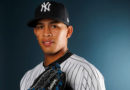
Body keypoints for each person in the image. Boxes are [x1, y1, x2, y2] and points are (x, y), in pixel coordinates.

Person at [20, 1, 106, 90]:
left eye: (54, 26)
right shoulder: (27, 78)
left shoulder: (86, 73)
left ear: (68, 32)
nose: (46, 33)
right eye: (41, 27)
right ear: (35, 32)